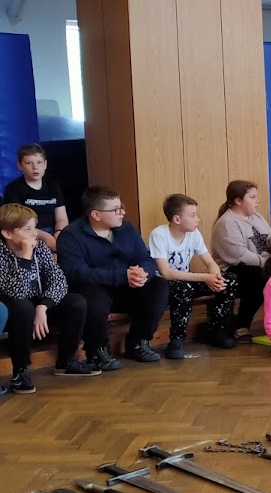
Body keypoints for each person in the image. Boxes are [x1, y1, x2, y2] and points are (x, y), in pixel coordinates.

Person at [57, 186, 169, 367]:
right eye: (116, 209)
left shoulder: (127, 228)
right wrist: (122, 276)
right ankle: (98, 351)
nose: (122, 212)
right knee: (93, 299)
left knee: (158, 286)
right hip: (94, 288)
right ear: (96, 215)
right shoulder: (71, 235)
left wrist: (143, 273)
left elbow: (145, 258)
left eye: (121, 207)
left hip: (127, 286)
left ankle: (138, 342)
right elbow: (76, 272)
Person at [0, 203, 98, 393]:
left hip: (38, 303)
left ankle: (66, 361)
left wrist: (43, 306)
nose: (34, 234)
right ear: (7, 233)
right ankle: (20, 371)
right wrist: (25, 258)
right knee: (23, 308)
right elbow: (15, 292)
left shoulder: (41, 248)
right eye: (27, 229)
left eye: (35, 227)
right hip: (12, 308)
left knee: (75, 302)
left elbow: (59, 281)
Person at [148, 194, 238, 359]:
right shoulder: (159, 235)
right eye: (192, 215)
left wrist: (215, 278)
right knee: (183, 288)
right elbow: (166, 273)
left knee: (229, 279)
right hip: (165, 285)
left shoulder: (194, 233)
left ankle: (217, 330)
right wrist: (205, 278)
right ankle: (177, 340)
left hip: (188, 280)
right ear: (177, 219)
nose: (198, 219)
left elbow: (210, 262)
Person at [211, 180, 271, 342]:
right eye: (252, 197)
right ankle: (241, 325)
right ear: (238, 201)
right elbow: (239, 256)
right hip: (231, 270)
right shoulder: (227, 223)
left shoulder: (257, 217)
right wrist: (269, 264)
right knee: (260, 276)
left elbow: (269, 238)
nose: (257, 201)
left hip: (259, 265)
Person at [3, 144, 68, 253]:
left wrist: (59, 232)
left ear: (45, 164)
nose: (35, 167)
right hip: (28, 234)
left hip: (53, 233)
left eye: (39, 162)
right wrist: (45, 237)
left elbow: (61, 217)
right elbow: (16, 223)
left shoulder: (53, 185)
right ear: (20, 165)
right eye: (29, 163)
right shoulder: (13, 189)